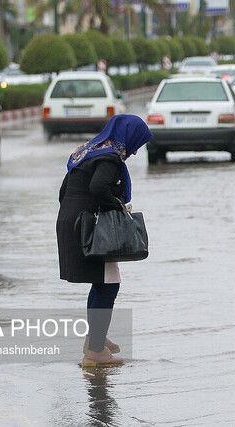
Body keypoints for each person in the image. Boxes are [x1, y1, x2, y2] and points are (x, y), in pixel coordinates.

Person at [56, 114, 153, 366]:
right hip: (92, 229)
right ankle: (96, 349)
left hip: (72, 223)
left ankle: (95, 338)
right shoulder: (109, 158)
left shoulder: (87, 152)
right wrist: (119, 208)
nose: (134, 153)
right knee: (109, 285)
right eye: (137, 144)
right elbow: (99, 188)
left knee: (102, 283)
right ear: (128, 137)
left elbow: (63, 192)